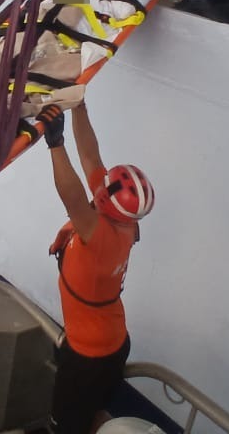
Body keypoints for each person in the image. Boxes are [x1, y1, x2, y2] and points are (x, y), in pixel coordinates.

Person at [36, 103, 155, 434]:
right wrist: (79, 106)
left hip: (88, 356)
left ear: (108, 200)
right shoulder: (124, 224)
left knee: (64, 426)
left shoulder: (100, 235)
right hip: (114, 341)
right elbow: (90, 155)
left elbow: (72, 197)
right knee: (94, 411)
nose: (100, 182)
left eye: (107, 184)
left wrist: (55, 144)